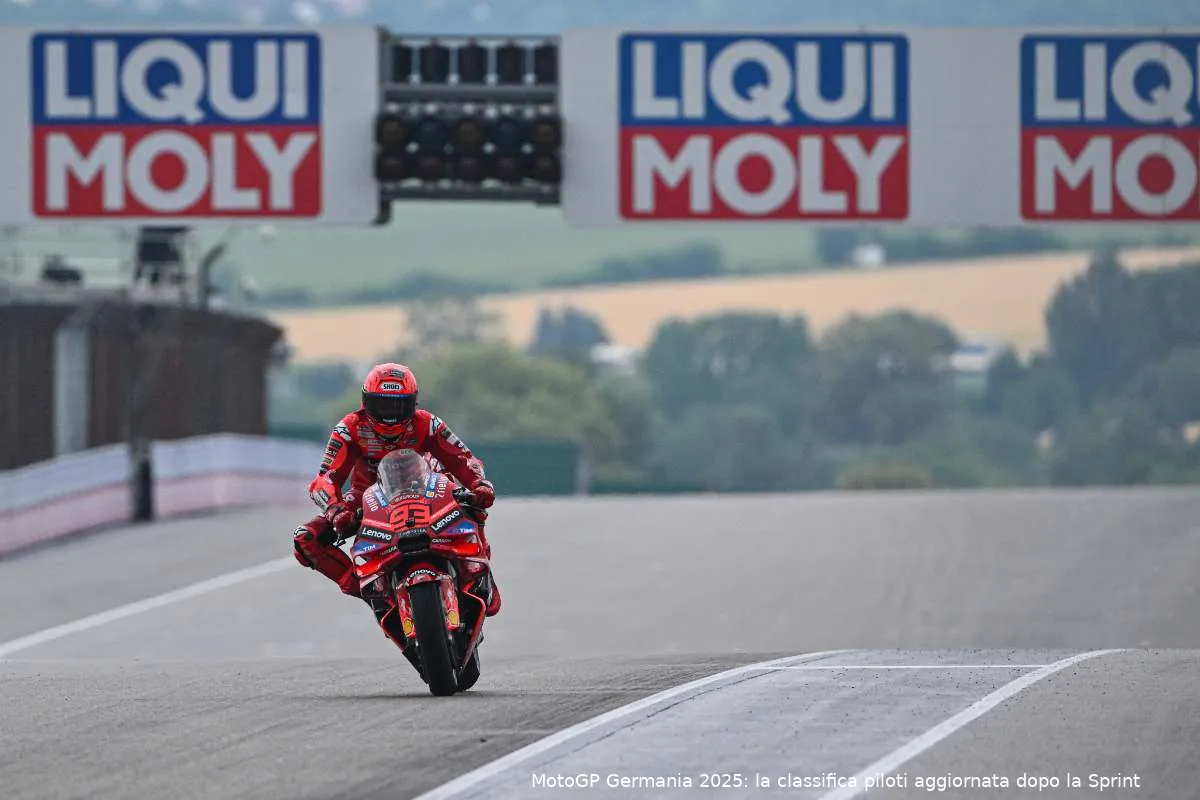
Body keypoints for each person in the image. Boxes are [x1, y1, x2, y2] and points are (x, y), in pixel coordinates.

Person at [292, 362, 501, 629]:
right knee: (305, 540)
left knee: (474, 502)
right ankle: (372, 591)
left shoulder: (428, 423)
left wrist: (480, 485)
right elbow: (324, 479)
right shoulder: (349, 428)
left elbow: (463, 458)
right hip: (369, 499)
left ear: (412, 404)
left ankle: (477, 571)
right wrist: (336, 510)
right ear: (366, 403)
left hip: (429, 488)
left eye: (398, 406)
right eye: (382, 405)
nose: (390, 415)